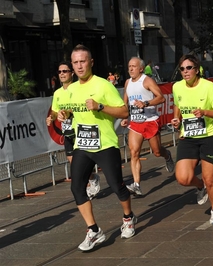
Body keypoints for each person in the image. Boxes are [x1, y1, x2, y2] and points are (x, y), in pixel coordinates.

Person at [57, 44, 137, 251]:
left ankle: (128, 217)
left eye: (83, 61)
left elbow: (123, 112)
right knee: (76, 188)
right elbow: (70, 111)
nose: (79, 66)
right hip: (82, 145)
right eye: (75, 62)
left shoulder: (103, 85)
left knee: (116, 185)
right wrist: (64, 115)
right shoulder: (71, 89)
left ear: (91, 62)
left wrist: (100, 106)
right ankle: (93, 230)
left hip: (105, 144)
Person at [170, 54, 213, 224]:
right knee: (183, 178)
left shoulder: (208, 87)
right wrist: (176, 119)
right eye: (182, 69)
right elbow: (177, 105)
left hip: (210, 136)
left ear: (197, 69)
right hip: (188, 136)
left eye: (189, 68)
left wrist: (205, 112)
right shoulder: (177, 87)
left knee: (211, 179)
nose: (185, 71)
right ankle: (200, 186)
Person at [120, 57, 175, 196]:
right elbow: (125, 102)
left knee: (157, 152)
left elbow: (161, 98)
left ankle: (167, 155)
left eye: (134, 66)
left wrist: (145, 103)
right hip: (136, 123)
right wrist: (125, 117)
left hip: (150, 120)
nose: (131, 69)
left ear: (141, 68)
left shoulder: (147, 81)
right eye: (129, 66)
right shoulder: (127, 82)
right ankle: (136, 184)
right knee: (134, 153)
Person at [46, 61, 100, 199]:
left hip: (80, 130)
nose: (62, 74)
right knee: (73, 162)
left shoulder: (77, 88)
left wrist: (68, 112)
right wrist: (51, 118)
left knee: (80, 163)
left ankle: (88, 187)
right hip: (67, 132)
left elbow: (82, 107)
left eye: (65, 71)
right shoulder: (57, 93)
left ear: (71, 73)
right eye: (60, 72)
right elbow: (54, 110)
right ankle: (93, 178)